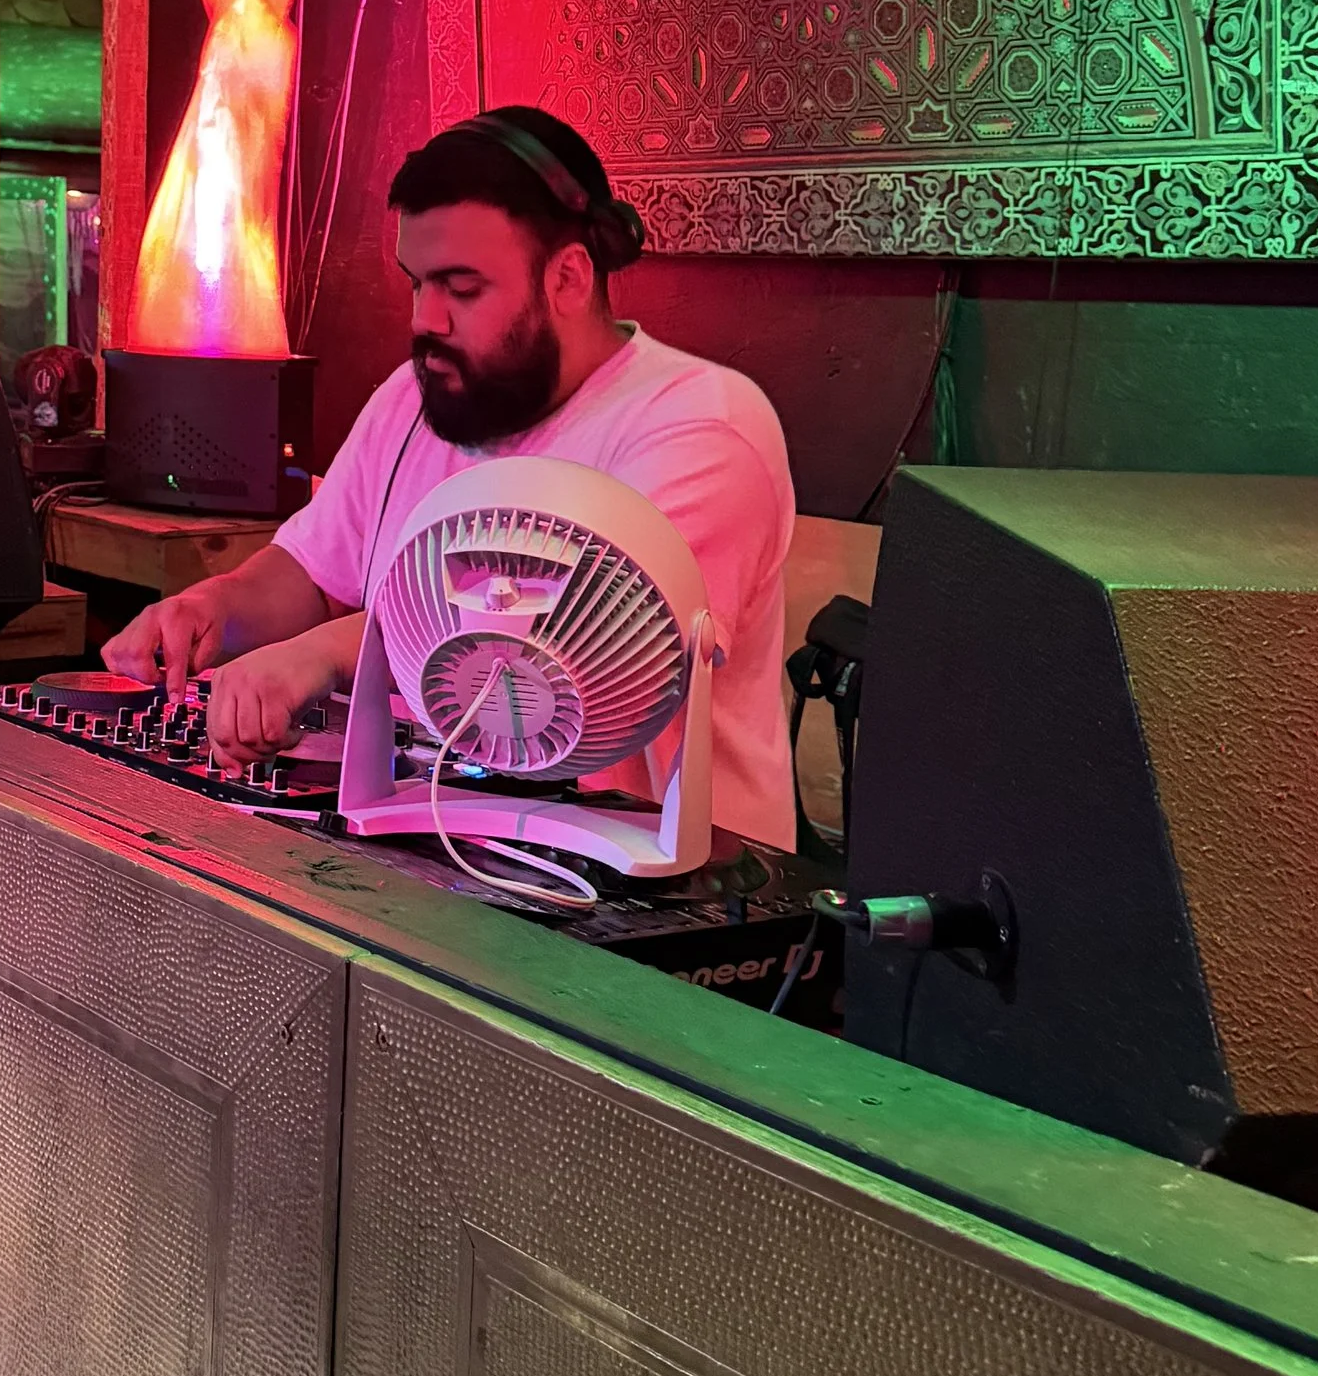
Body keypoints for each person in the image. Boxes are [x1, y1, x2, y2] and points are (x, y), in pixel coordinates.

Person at [102, 106, 798, 849]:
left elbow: (554, 642)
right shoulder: (412, 397)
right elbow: (313, 572)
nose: (426, 318)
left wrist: (326, 654)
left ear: (567, 276)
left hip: (653, 891)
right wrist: (219, 608)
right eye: (417, 283)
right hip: (434, 847)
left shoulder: (701, 424)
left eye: (461, 288)